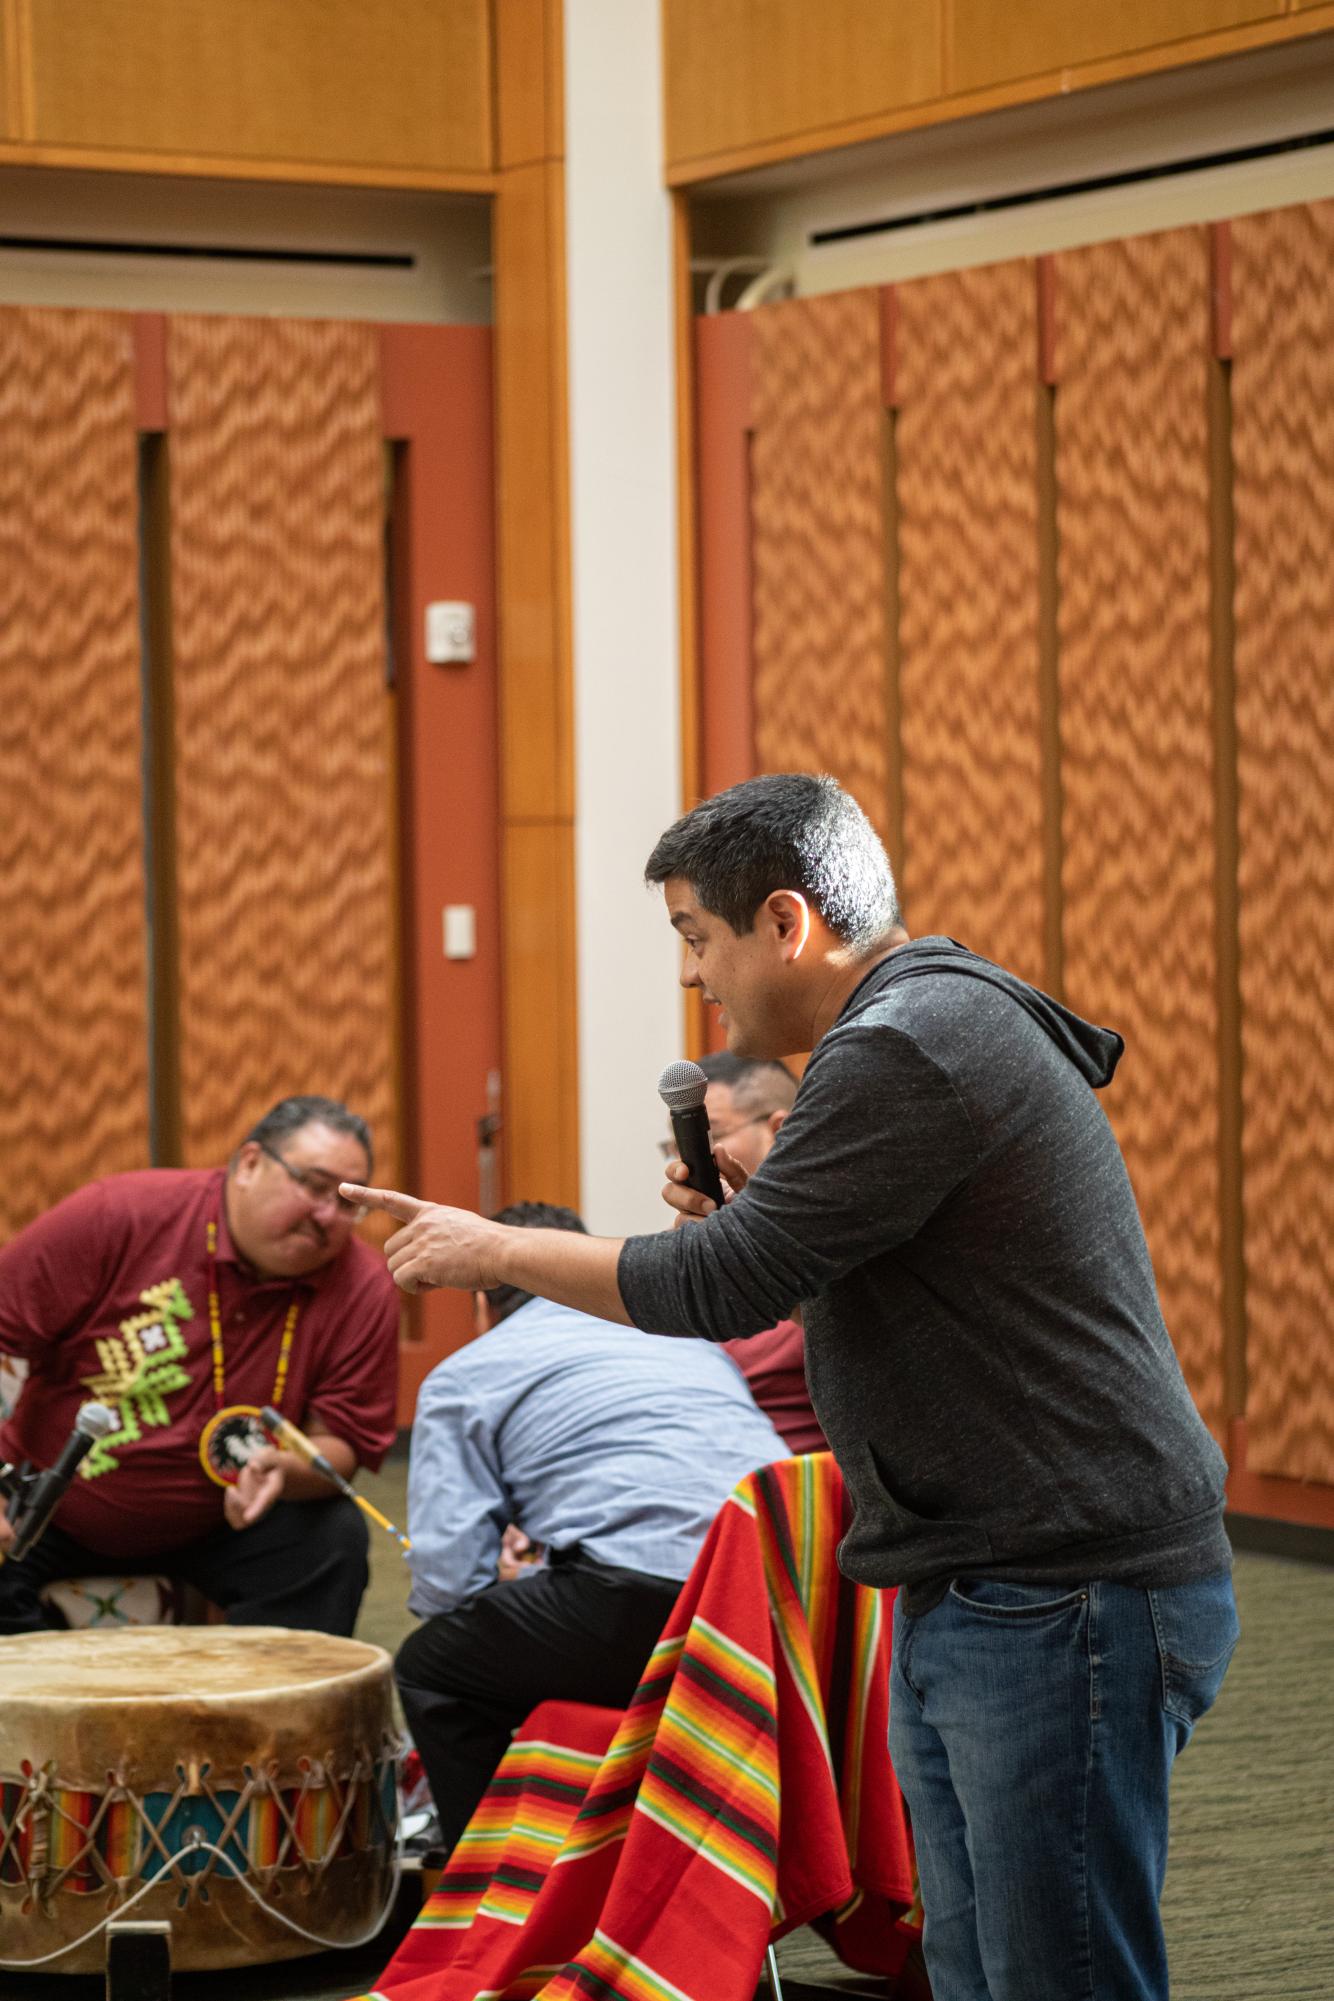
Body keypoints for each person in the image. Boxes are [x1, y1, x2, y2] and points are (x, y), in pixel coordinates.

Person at [343, 773, 1239, 2001]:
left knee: (1054, 1972)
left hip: (1061, 1582)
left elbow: (718, 1287)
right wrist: (757, 1226)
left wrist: (489, 1248)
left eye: (694, 937)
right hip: (982, 1575)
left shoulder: (906, 1046)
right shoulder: (920, 1021)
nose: (690, 976)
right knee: (973, 1966)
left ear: (782, 921)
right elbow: (792, 1279)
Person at [394, 1200, 787, 1855]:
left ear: (482, 1306)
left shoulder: (464, 1375)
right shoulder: (691, 1340)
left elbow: (446, 1581)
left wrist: (508, 1584)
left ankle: (499, 1886)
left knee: (433, 1668)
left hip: (643, 1610)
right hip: (787, 1598)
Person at [0, 1095, 398, 1638]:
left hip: (222, 1520)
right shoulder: (120, 1214)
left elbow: (340, 1445)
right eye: (312, 1184)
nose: (327, 1214)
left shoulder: (363, 1287)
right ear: (251, 1163)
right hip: (49, 1504)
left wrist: (287, 1472)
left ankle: (264, 1719)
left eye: (348, 1202)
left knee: (330, 1535)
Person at [663, 1051, 826, 1453]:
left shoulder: (826, 1247)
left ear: (778, 1130)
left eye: (711, 1135)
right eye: (674, 1144)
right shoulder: (710, 1246)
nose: (684, 1158)